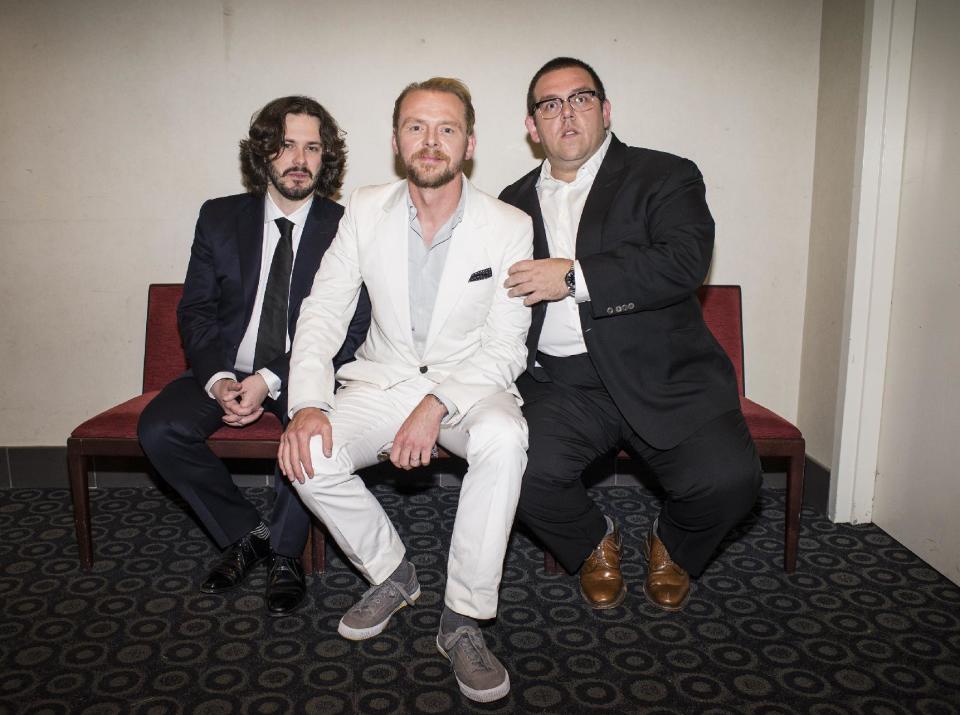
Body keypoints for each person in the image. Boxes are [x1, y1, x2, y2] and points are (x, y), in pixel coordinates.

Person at [279, 78, 532, 704]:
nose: (431, 141)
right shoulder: (364, 209)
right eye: (416, 127)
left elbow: (507, 347)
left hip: (470, 385)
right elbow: (323, 311)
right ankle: (394, 572)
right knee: (307, 456)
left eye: (446, 128)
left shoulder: (509, 225)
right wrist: (308, 404)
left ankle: (464, 618)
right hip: (383, 376)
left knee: (505, 436)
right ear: (397, 141)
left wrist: (436, 403)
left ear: (469, 143)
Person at [500, 57, 762, 613]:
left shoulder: (665, 175)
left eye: (581, 98)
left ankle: (673, 544)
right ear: (533, 127)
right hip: (563, 386)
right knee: (510, 469)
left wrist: (572, 277)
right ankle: (595, 541)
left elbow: (684, 260)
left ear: (605, 110)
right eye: (550, 104)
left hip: (662, 371)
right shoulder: (509, 202)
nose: (566, 113)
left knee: (731, 481)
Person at [138, 96, 370, 617]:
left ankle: (286, 554)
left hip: (305, 370)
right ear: (263, 152)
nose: (299, 159)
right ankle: (247, 534)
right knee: (159, 429)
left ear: (326, 157)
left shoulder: (349, 225)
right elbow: (196, 311)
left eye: (313, 148)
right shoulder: (219, 217)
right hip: (225, 366)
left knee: (311, 431)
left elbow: (354, 327)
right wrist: (219, 379)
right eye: (286, 145)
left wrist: (271, 378)